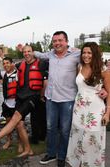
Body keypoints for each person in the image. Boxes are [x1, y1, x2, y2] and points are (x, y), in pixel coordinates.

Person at [35, 31, 107, 167]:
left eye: (60, 40)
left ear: (66, 42)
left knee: (65, 129)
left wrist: (104, 89)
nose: (57, 43)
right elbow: (39, 55)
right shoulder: (50, 54)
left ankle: (62, 156)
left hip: (68, 100)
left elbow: (93, 59)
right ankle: (51, 153)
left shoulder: (76, 54)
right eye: (55, 41)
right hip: (51, 97)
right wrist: (30, 52)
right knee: (50, 127)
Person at [0, 45, 48, 157]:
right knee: (20, 125)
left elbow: (52, 65)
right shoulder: (20, 65)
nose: (27, 53)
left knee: (15, 118)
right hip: (21, 97)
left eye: (29, 51)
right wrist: (2, 55)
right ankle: (28, 149)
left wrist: (42, 95)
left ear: (33, 52)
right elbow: (8, 65)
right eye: (25, 52)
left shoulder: (41, 64)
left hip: (32, 97)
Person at [66, 42, 110, 167]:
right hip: (79, 109)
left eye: (89, 53)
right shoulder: (79, 67)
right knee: (78, 138)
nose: (86, 55)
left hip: (95, 111)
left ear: (95, 54)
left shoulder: (103, 70)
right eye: (84, 52)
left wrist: (107, 113)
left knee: (92, 141)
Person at [0, 57, 20, 150]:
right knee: (8, 124)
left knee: (19, 125)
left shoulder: (18, 74)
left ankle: (20, 143)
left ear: (12, 63)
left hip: (16, 103)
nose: (5, 65)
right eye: (4, 63)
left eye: (8, 63)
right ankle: (9, 140)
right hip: (7, 104)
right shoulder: (3, 74)